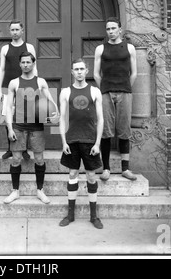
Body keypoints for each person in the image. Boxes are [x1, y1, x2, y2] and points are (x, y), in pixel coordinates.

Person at [3, 52, 59, 204]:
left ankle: (40, 190)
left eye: (29, 62)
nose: (26, 65)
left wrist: (55, 113)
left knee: (39, 159)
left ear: (33, 64)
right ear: (20, 64)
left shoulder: (40, 82)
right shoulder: (14, 83)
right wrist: (9, 128)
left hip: (37, 126)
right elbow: (8, 107)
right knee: (16, 159)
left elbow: (51, 102)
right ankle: (15, 191)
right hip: (18, 126)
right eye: (23, 62)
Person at [59, 59, 104, 229]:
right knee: (72, 174)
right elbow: (62, 119)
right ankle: (70, 214)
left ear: (87, 71)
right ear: (72, 72)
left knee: (91, 176)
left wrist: (97, 143)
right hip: (72, 140)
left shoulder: (94, 91)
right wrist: (63, 142)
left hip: (90, 140)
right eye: (76, 69)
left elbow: (100, 119)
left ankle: (94, 216)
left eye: (81, 69)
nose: (79, 72)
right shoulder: (65, 92)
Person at [94, 17, 137, 181]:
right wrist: (104, 88)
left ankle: (125, 169)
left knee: (124, 129)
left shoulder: (130, 48)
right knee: (106, 130)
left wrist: (126, 86)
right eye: (108, 29)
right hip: (106, 92)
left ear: (120, 29)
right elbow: (96, 74)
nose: (110, 31)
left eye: (113, 28)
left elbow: (133, 73)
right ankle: (106, 168)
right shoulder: (100, 49)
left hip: (125, 91)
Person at [0, 20, 38, 160]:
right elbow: (1, 70)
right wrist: (0, 90)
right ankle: (10, 148)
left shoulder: (29, 47)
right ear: (10, 31)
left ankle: (24, 149)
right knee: (8, 117)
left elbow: (34, 68)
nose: (15, 32)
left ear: (22, 31)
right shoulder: (5, 49)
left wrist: (35, 86)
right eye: (12, 30)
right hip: (8, 87)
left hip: (25, 88)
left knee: (24, 118)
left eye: (17, 29)